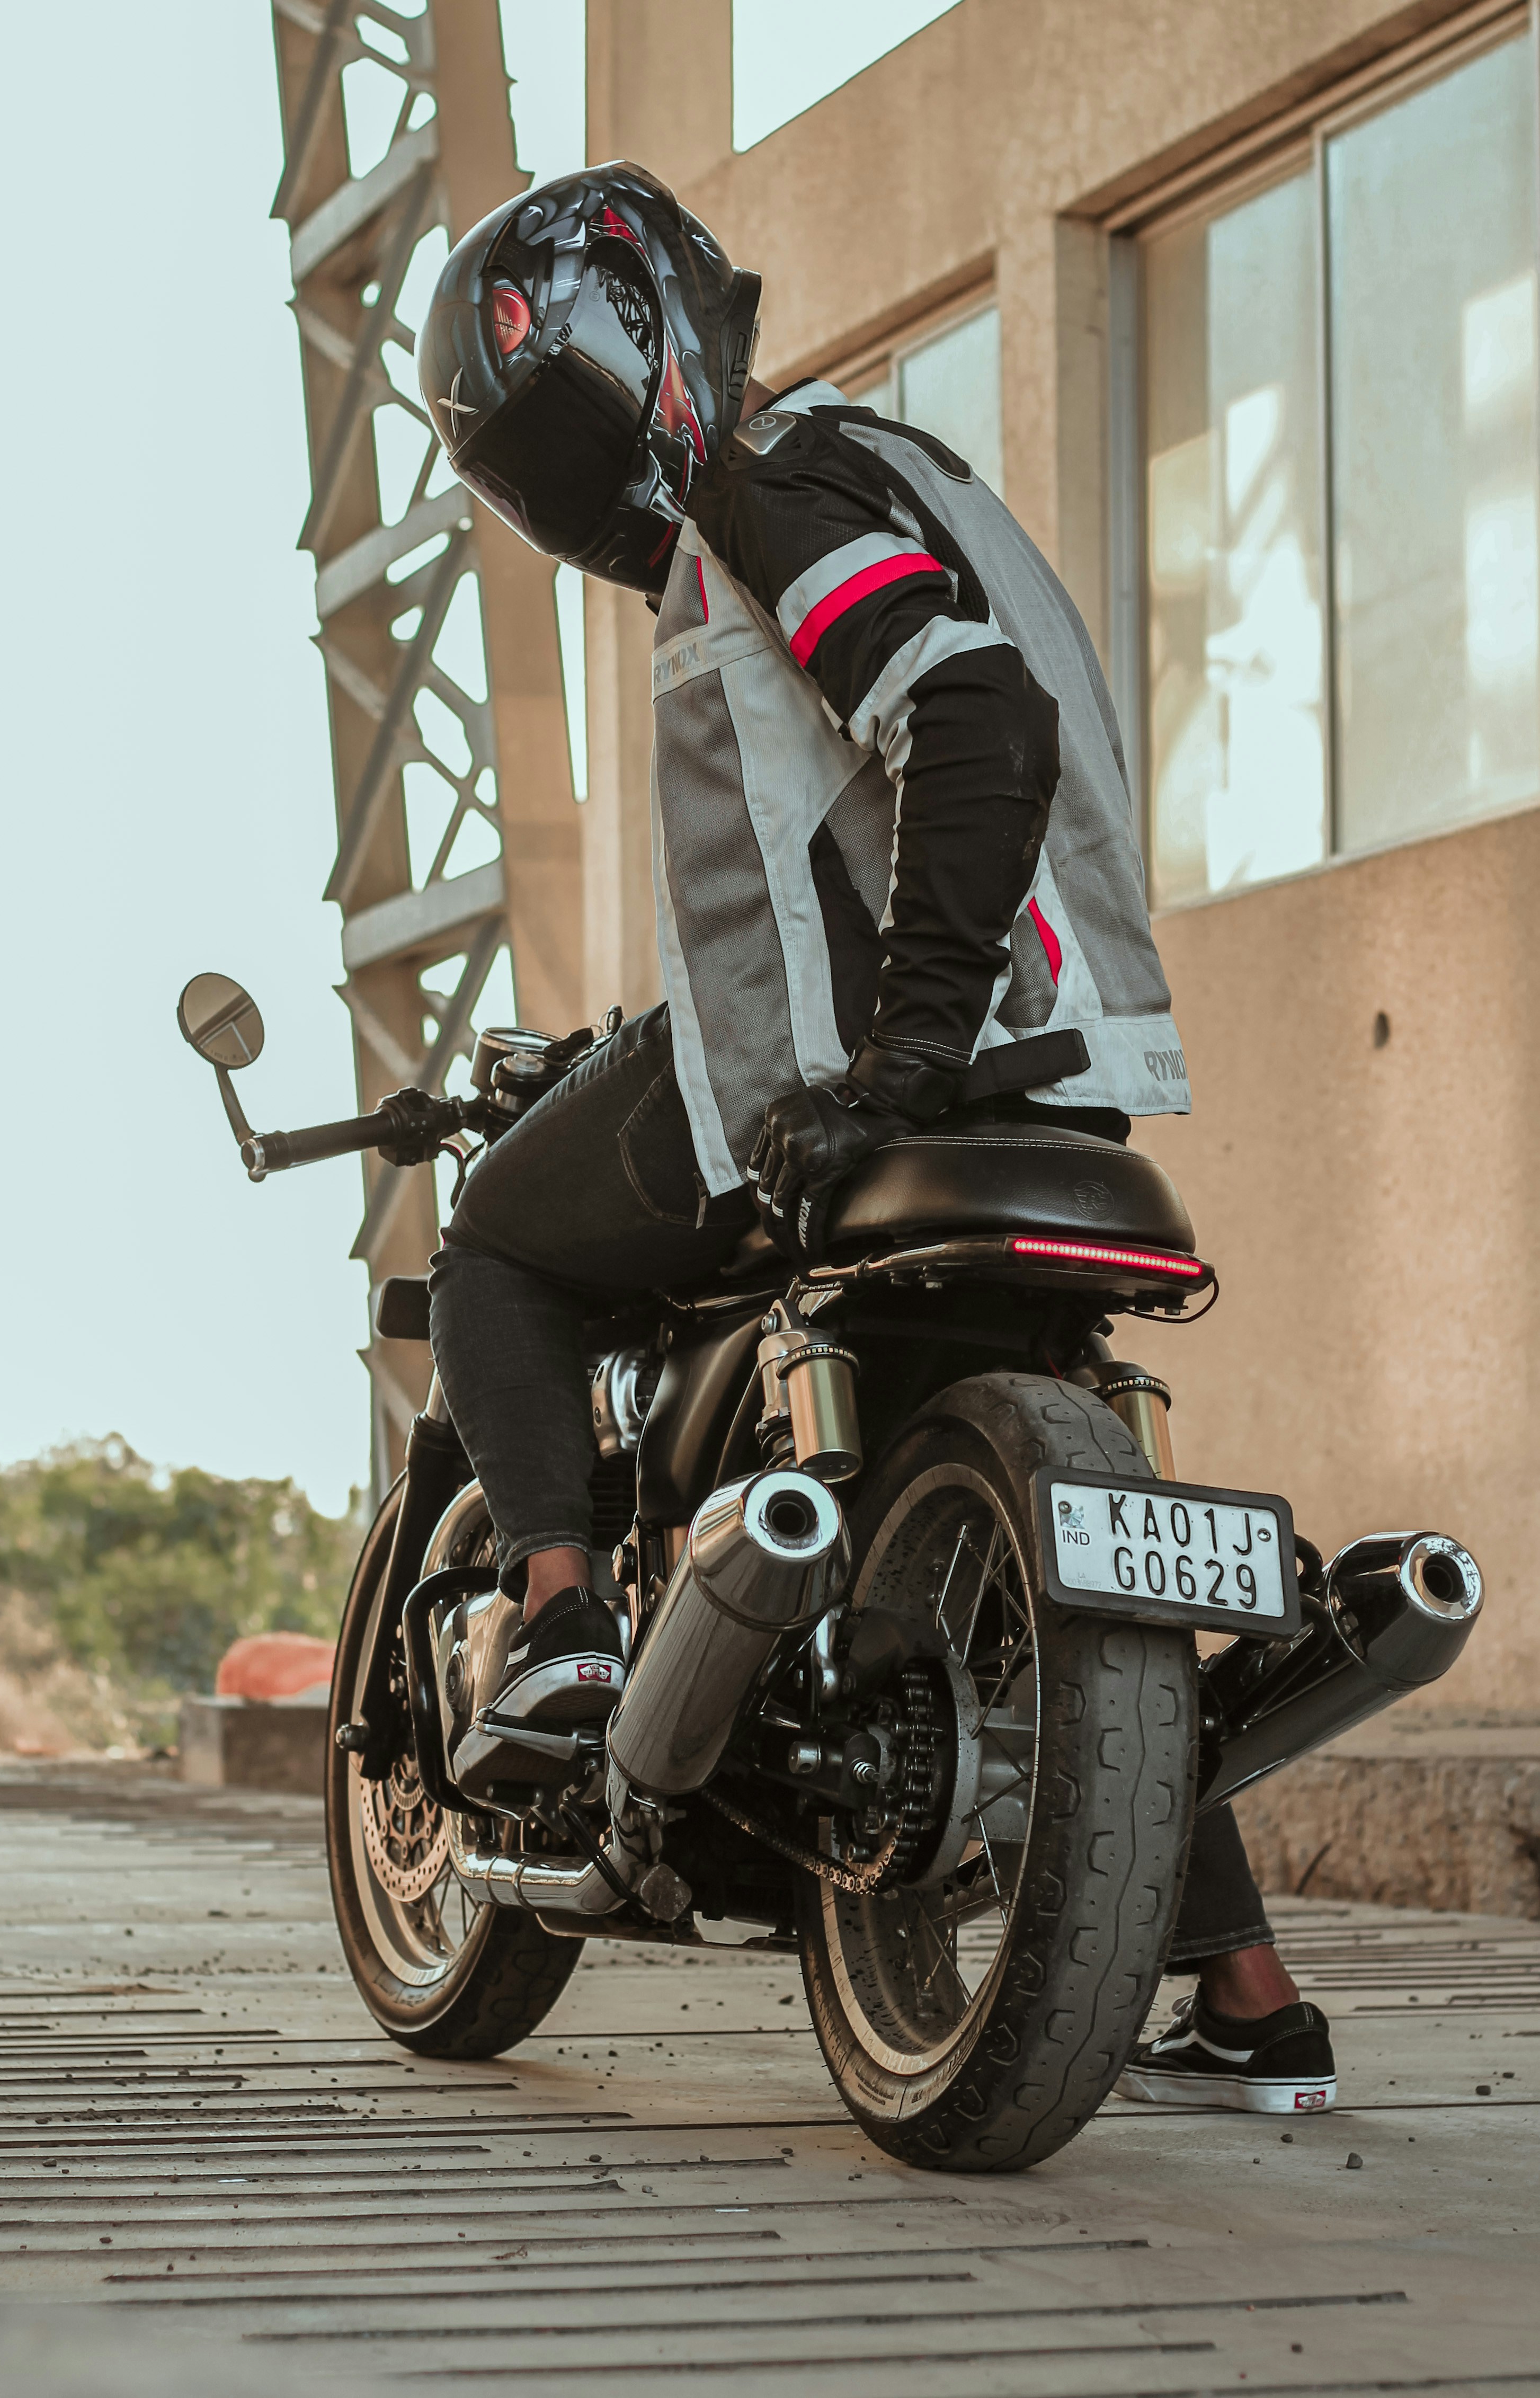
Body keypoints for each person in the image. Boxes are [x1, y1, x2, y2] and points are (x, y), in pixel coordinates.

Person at [414, 162, 1334, 2113]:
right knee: (1075, 1571)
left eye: (558, 438)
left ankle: (563, 1623)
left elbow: (968, 718)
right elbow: (848, 815)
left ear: (638, 344)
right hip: (1059, 1068)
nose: (569, 491)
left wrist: (901, 1052)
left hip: (887, 1069)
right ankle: (1247, 1993)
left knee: (495, 1234)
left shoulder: (769, 488)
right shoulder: (904, 470)